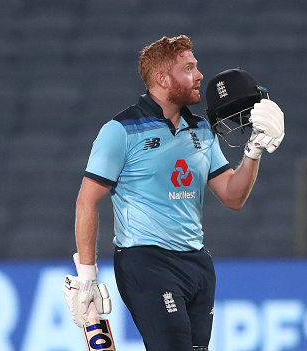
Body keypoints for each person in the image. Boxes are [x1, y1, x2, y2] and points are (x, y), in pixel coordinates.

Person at [62, 35, 284, 350]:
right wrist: (87, 276)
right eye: (189, 68)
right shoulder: (121, 131)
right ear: (163, 78)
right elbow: (87, 201)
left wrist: (253, 151)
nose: (199, 75)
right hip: (146, 261)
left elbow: (233, 197)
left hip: (197, 264)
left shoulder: (202, 130)